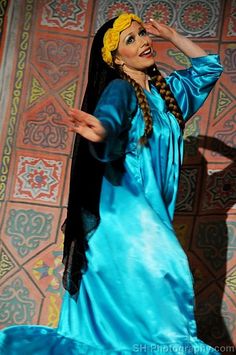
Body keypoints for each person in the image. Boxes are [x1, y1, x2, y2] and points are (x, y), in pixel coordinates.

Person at [0, 12, 223, 355]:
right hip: (125, 216)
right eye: (130, 40)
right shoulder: (121, 88)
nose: (144, 42)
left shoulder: (169, 94)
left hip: (150, 216)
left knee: (135, 319)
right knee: (168, 279)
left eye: (142, 34)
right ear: (116, 58)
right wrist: (102, 131)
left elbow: (208, 69)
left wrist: (173, 35)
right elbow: (110, 115)